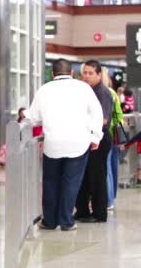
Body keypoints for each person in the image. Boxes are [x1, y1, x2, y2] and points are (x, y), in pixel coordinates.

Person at [26, 58, 103, 231]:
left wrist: (24, 114)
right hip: (78, 143)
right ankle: (66, 221)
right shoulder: (83, 88)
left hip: (53, 144)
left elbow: (34, 117)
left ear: (52, 74)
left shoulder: (44, 89)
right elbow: (97, 112)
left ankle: (49, 221)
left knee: (50, 182)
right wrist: (96, 137)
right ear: (72, 73)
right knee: (71, 182)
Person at [75, 60, 114, 223]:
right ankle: (82, 211)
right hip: (87, 138)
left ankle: (99, 213)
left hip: (99, 139)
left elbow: (103, 120)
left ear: (99, 75)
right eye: (85, 73)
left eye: (91, 73)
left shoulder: (102, 92)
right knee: (84, 176)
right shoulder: (86, 91)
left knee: (97, 177)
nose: (87, 76)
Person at [101, 68, 123, 211]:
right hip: (113, 135)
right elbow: (119, 115)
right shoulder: (113, 93)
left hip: (105, 134)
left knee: (106, 167)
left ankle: (108, 200)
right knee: (111, 167)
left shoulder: (103, 93)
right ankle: (111, 197)